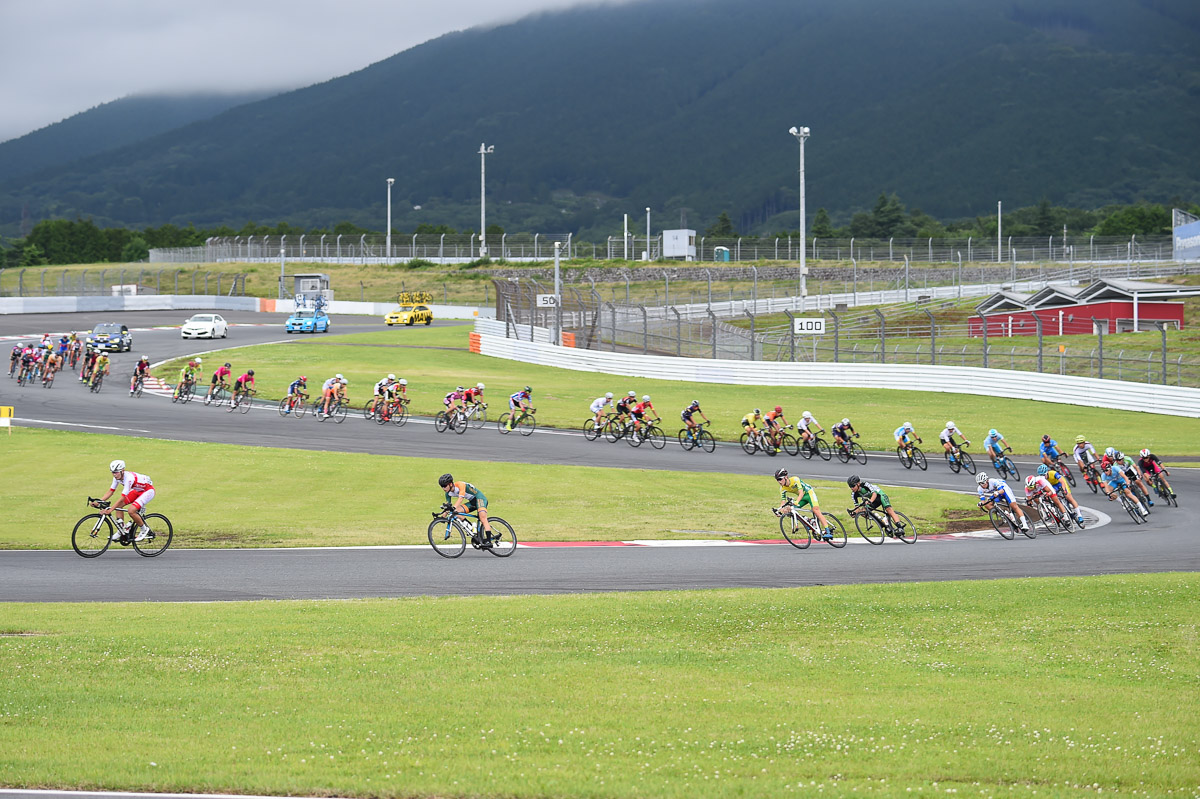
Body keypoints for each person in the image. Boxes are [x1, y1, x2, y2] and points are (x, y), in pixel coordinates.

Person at [94, 459, 155, 542]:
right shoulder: (117, 478)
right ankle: (121, 530)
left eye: (116, 472)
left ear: (122, 470)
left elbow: (123, 497)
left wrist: (110, 510)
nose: (114, 475)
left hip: (148, 491)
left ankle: (144, 529)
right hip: (137, 490)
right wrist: (98, 501)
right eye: (112, 472)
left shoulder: (129, 478)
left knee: (131, 511)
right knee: (118, 506)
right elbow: (111, 491)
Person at [774, 468, 835, 540]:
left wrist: (797, 501)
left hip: (809, 494)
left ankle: (827, 531)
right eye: (777, 480)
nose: (779, 482)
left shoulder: (795, 480)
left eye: (780, 479)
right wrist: (780, 511)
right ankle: (809, 521)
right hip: (802, 498)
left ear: (786, 477)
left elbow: (801, 493)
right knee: (789, 510)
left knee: (815, 510)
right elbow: (783, 502)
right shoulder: (782, 489)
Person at [437, 473, 494, 543]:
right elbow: (448, 506)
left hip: (480, 498)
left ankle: (488, 541)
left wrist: (453, 507)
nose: (443, 488)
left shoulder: (460, 485)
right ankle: (471, 528)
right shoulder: (448, 493)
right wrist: (443, 517)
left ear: (450, 484)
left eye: (445, 486)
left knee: (482, 518)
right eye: (441, 486)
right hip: (472, 502)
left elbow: (461, 499)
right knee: (456, 513)